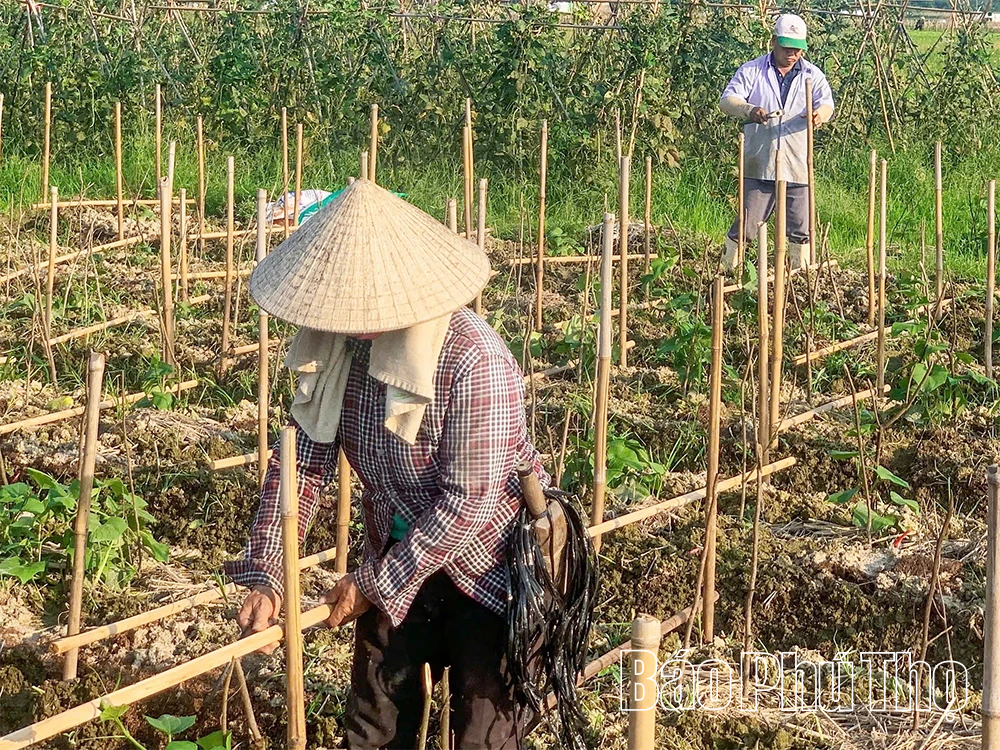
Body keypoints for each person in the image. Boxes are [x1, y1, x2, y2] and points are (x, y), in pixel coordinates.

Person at [225, 179, 549, 749]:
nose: (349, 319)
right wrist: (269, 575)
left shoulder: (473, 359)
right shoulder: (336, 348)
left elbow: (469, 503)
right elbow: (301, 464)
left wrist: (373, 583)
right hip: (393, 547)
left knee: (484, 737)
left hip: (486, 569)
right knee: (372, 731)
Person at [719, 13, 835, 272]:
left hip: (798, 161)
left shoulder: (812, 74)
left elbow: (827, 104)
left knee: (800, 227)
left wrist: (819, 115)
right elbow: (727, 101)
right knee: (747, 223)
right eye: (786, 48)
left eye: (797, 49)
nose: (792, 54)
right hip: (760, 161)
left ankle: (799, 276)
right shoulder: (752, 70)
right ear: (773, 42)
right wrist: (749, 110)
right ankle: (727, 271)